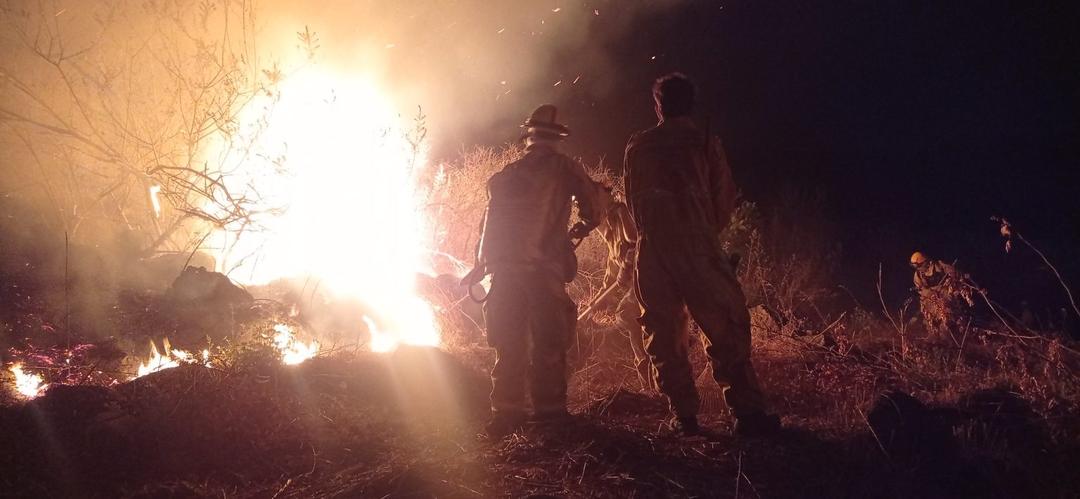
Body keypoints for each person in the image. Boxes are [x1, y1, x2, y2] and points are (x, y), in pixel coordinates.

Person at [623, 73, 780, 437]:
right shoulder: (704, 140)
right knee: (727, 324)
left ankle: (684, 417)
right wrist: (704, 233)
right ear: (691, 103)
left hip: (652, 250)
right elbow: (723, 199)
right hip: (696, 244)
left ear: (658, 105)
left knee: (662, 333)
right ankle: (748, 415)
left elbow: (633, 202)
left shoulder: (637, 145)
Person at [464, 104, 601, 438]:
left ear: (529, 136)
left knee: (508, 343)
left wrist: (479, 265)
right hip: (542, 270)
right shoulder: (564, 168)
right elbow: (594, 211)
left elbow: (486, 226)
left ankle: (505, 413)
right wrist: (574, 233)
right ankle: (549, 415)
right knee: (549, 341)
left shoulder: (504, 175)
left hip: (502, 271)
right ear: (557, 139)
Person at [584, 185, 654, 390]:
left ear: (607, 195)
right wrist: (599, 298)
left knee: (627, 311)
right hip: (635, 281)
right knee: (632, 317)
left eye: (596, 195)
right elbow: (612, 266)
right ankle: (648, 379)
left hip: (649, 275)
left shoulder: (622, 211)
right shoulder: (606, 227)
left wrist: (627, 266)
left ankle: (652, 368)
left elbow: (636, 240)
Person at [910, 251, 974, 337]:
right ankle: (934, 336)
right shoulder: (918, 275)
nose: (917, 268)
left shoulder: (939, 266)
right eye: (915, 266)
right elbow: (921, 290)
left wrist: (952, 277)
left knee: (949, 315)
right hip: (931, 299)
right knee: (929, 318)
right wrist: (931, 292)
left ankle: (956, 333)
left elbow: (956, 274)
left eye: (918, 265)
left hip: (947, 296)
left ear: (924, 262)